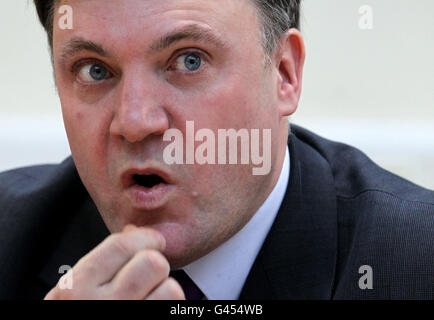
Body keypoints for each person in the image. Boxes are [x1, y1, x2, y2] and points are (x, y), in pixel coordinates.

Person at [0, 0, 433, 300]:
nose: (134, 123)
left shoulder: (416, 265)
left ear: (285, 74)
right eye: (94, 71)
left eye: (189, 60)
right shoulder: (9, 240)